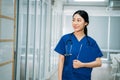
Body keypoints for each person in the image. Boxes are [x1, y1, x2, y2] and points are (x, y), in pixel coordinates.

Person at [54, 10, 103, 80]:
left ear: (86, 23)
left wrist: (82, 65)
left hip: (84, 77)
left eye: (78, 20)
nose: (75, 23)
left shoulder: (91, 42)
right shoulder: (65, 39)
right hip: (67, 77)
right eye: (73, 20)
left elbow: (99, 63)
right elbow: (61, 61)